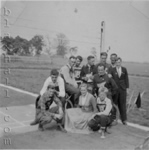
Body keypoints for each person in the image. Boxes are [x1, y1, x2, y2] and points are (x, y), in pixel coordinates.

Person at [110, 57, 129, 125]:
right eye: (117, 62)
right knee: (114, 104)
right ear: (115, 63)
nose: (118, 63)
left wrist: (127, 89)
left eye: (119, 62)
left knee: (122, 104)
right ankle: (114, 118)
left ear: (121, 62)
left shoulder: (124, 69)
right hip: (115, 90)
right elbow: (111, 80)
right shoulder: (112, 70)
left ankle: (124, 119)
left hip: (122, 89)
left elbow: (126, 79)